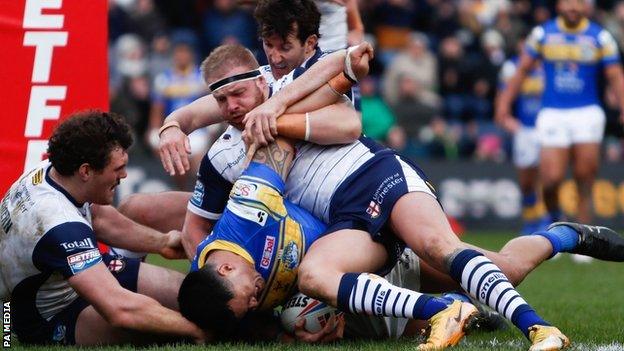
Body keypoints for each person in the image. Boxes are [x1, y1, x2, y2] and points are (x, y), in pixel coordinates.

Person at [0, 111, 206, 345]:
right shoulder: (61, 226)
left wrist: (163, 242)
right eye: (118, 168)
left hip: (69, 279)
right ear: (86, 171)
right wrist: (194, 330)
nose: (125, 175)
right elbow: (120, 310)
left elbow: (99, 219)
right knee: (153, 327)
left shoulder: (54, 170)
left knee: (190, 297)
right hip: (47, 316)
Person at [496, 0, 624, 225]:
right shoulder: (542, 34)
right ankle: (556, 219)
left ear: (586, 6)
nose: (573, 7)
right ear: (558, 5)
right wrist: (503, 104)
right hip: (553, 112)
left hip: (587, 112)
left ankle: (583, 239)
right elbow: (522, 70)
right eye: (568, 2)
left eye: (578, 2)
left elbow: (615, 76)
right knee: (551, 178)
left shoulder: (600, 37)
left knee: (584, 177)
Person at [496, 37, 546, 234]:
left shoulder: (547, 66)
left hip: (546, 128)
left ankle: (546, 220)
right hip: (524, 128)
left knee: (547, 177)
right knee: (527, 181)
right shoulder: (511, 68)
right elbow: (502, 96)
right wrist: (506, 118)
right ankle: (531, 221)